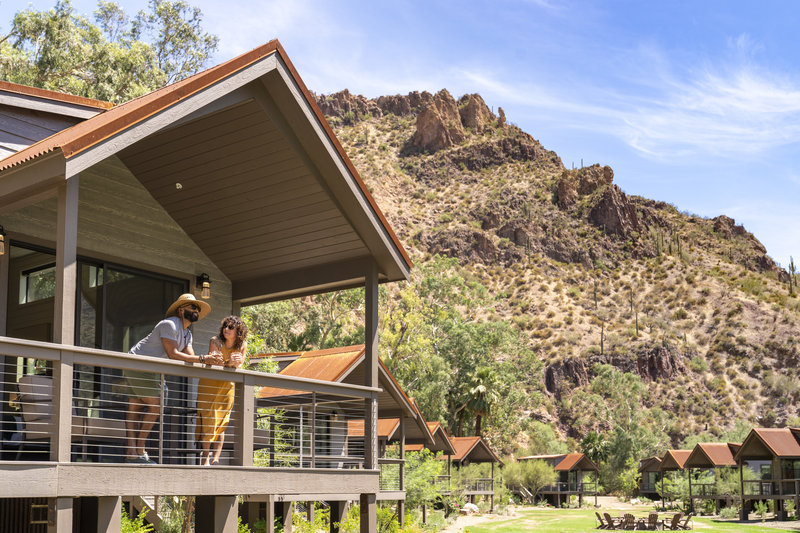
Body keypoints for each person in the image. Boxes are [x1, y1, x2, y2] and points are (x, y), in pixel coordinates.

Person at [124, 293, 218, 464]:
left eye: (197, 308)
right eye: (192, 307)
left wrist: (213, 361)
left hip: (153, 370)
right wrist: (203, 359)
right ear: (181, 310)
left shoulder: (187, 334)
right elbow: (173, 354)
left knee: (136, 407)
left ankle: (132, 454)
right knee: (156, 405)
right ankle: (140, 450)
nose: (196, 310)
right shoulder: (169, 324)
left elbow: (192, 358)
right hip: (137, 363)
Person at [196, 315, 247, 466]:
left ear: (238, 330)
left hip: (227, 387)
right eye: (225, 326)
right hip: (209, 385)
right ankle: (205, 458)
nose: (226, 329)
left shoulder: (242, 345)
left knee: (222, 422)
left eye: (231, 327)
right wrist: (229, 362)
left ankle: (216, 459)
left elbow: (240, 365)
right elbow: (215, 363)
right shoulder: (215, 341)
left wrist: (235, 363)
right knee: (208, 421)